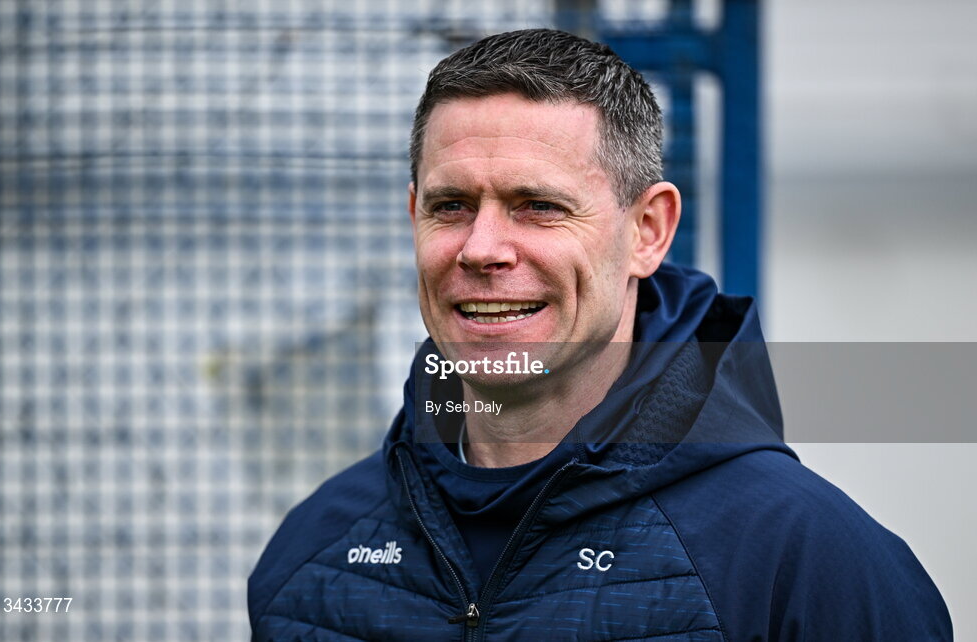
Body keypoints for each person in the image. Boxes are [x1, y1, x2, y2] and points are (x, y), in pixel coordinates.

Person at [248, 29, 951, 640]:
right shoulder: (313, 554)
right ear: (414, 218)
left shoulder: (805, 562)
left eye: (539, 206)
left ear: (648, 232)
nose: (482, 248)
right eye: (451, 206)